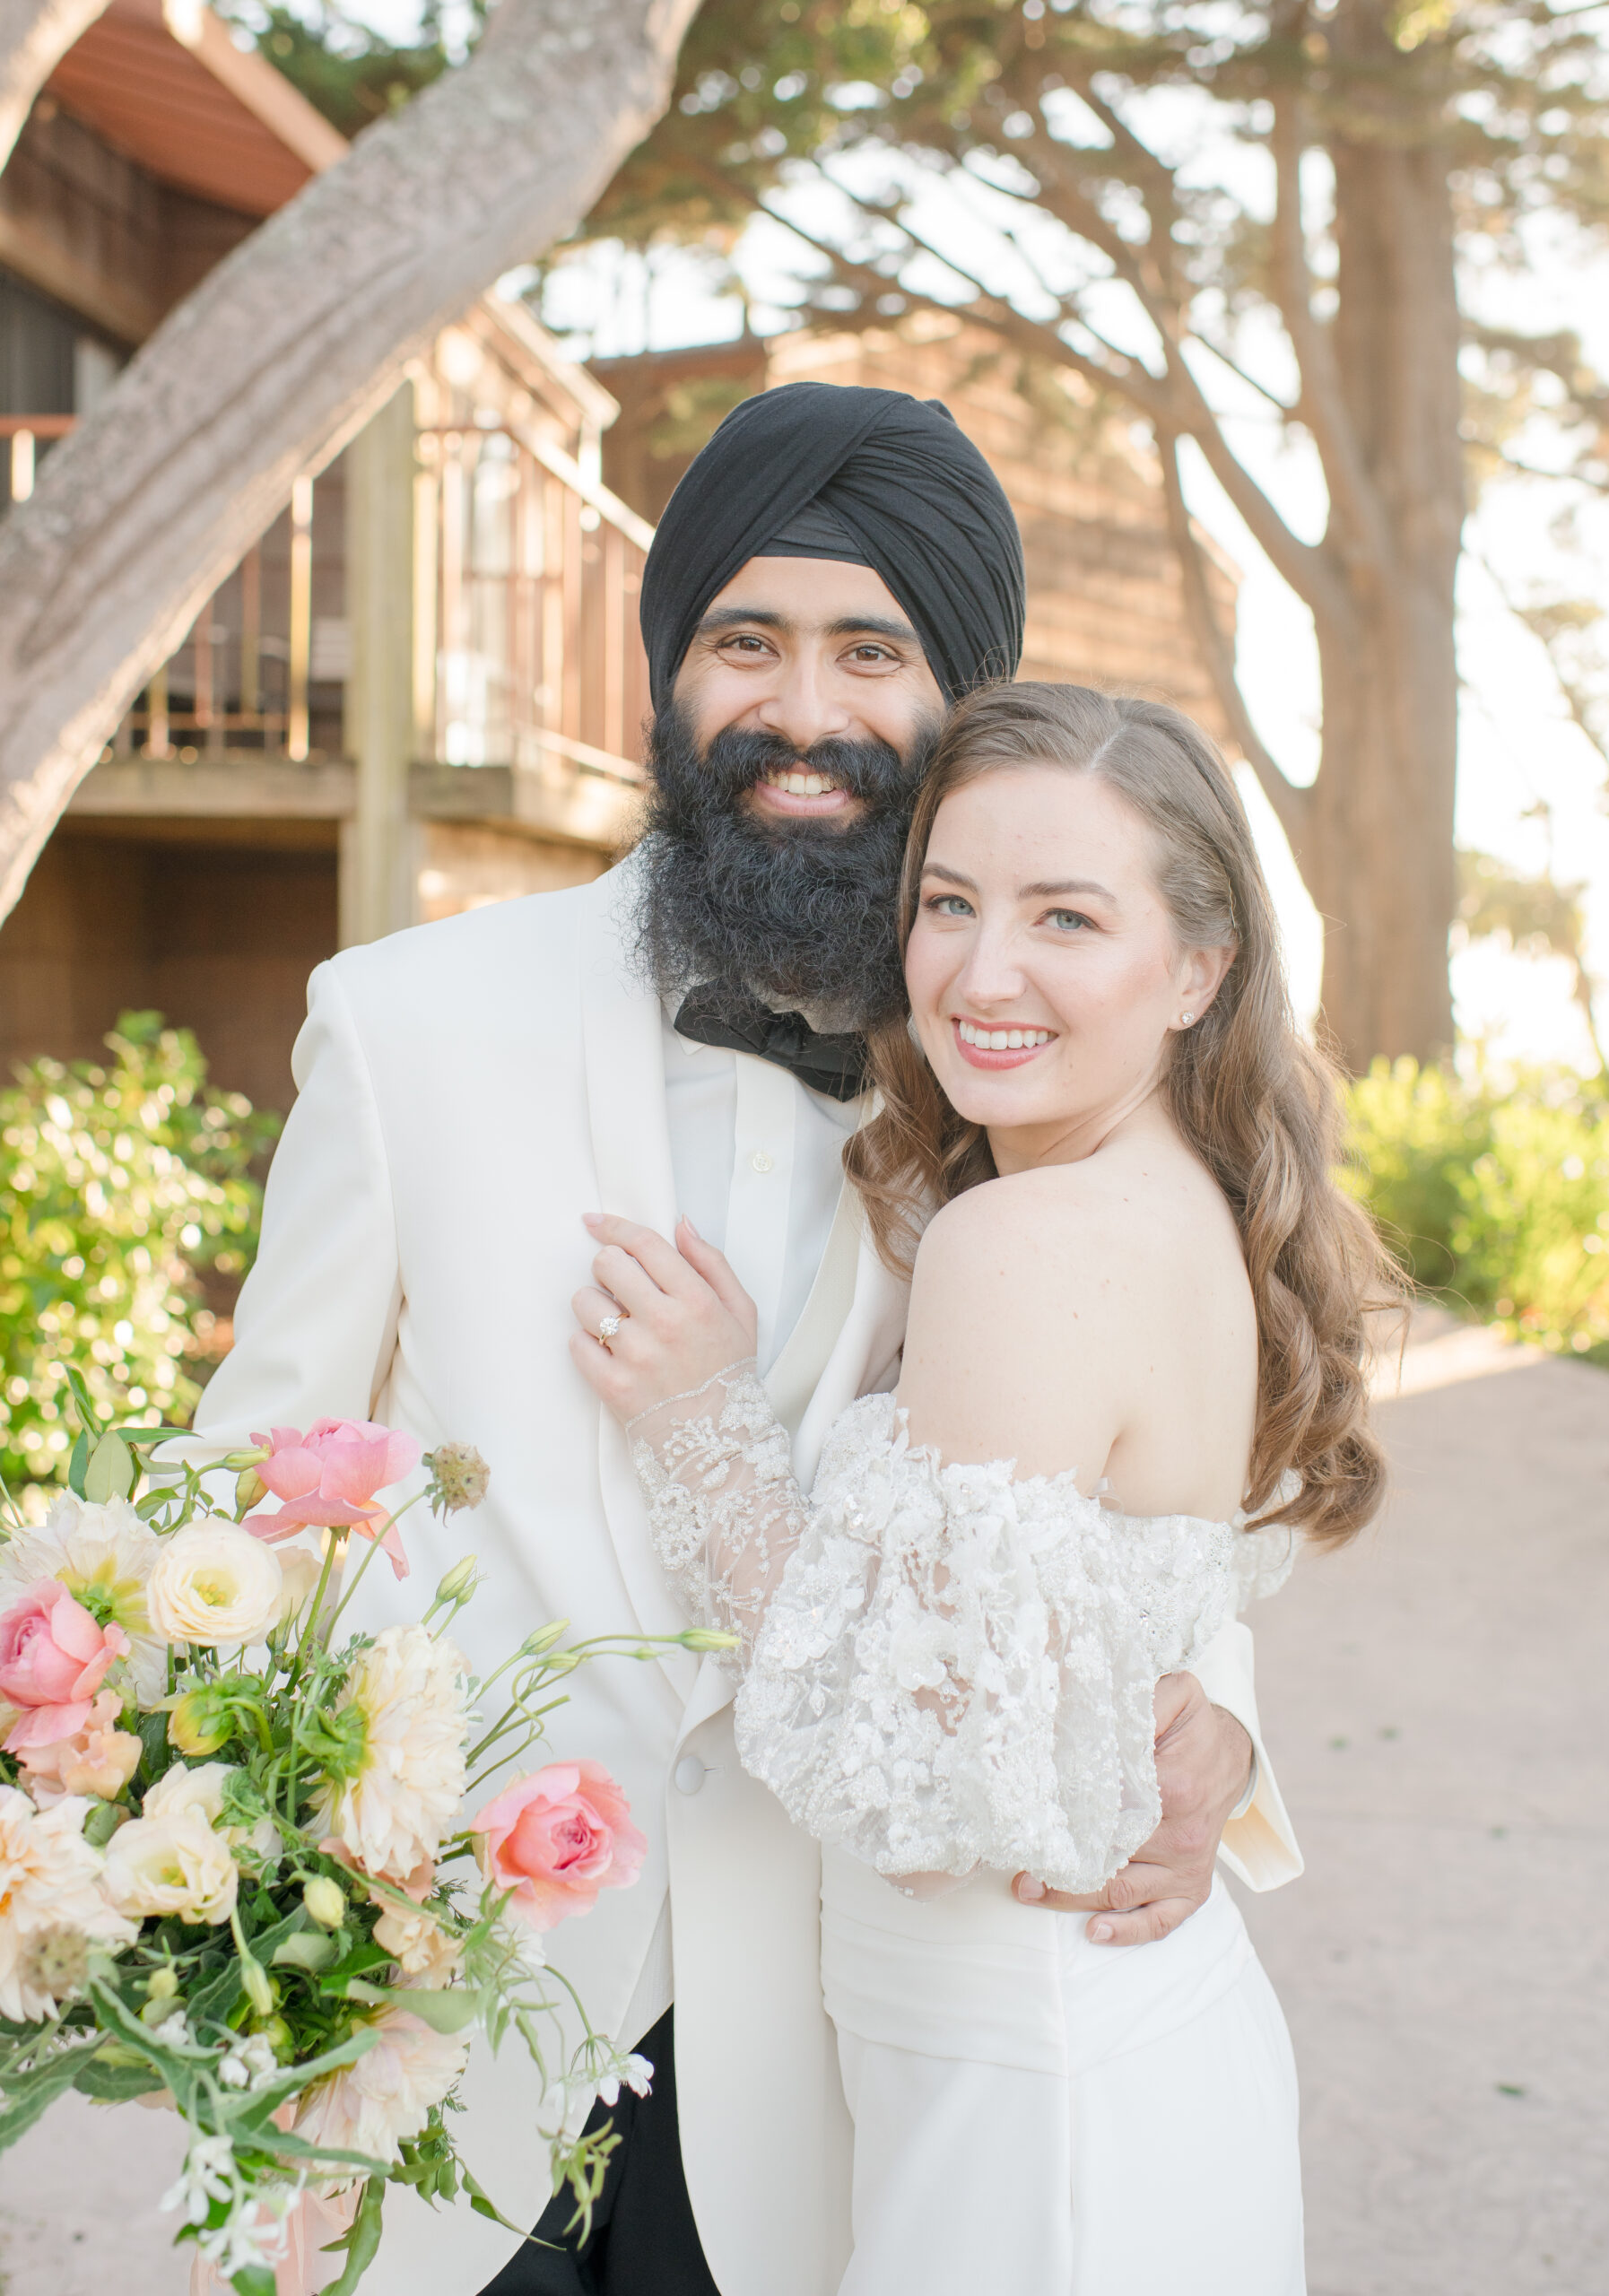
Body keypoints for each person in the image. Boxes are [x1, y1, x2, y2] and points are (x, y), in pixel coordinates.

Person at [189, 387, 1301, 2296]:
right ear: (666, 669)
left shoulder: (1010, 1068)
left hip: (835, 2075)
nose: (804, 709)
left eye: (872, 652)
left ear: (963, 704)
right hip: (442, 2040)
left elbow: (1106, 1496)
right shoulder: (403, 1024)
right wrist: (250, 1999)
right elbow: (255, 1507)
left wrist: (1217, 1740)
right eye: (743, 640)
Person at [571, 681, 1393, 2292]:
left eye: (1066, 918)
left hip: (1036, 2098)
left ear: (1199, 969)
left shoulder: (1026, 1242)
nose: (981, 972)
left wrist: (699, 1423)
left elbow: (921, 1795)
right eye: (948, 902)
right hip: (1078, 2050)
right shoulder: (1162, 1197)